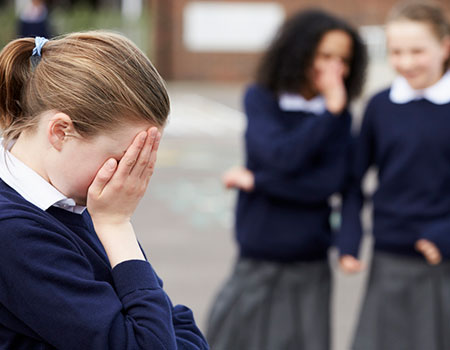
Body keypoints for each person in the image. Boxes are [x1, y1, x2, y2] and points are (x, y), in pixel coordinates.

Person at [0, 32, 209, 350]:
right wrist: (116, 226)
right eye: (123, 159)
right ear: (60, 132)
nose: (130, 179)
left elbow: (167, 321)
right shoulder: (14, 233)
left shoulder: (75, 202)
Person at [206, 9, 367, 350]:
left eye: (344, 59)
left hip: (310, 258)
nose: (335, 69)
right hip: (258, 253)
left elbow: (328, 184)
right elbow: (281, 157)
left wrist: (258, 181)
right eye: (325, 56)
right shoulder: (262, 99)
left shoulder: (339, 114)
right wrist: (329, 112)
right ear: (299, 52)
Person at [338, 2, 450, 349]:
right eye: (396, 52)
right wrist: (350, 239)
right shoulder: (379, 106)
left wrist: (445, 234)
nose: (405, 62)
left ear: (445, 46)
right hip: (389, 259)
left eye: (417, 51)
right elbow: (353, 180)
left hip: (443, 262)